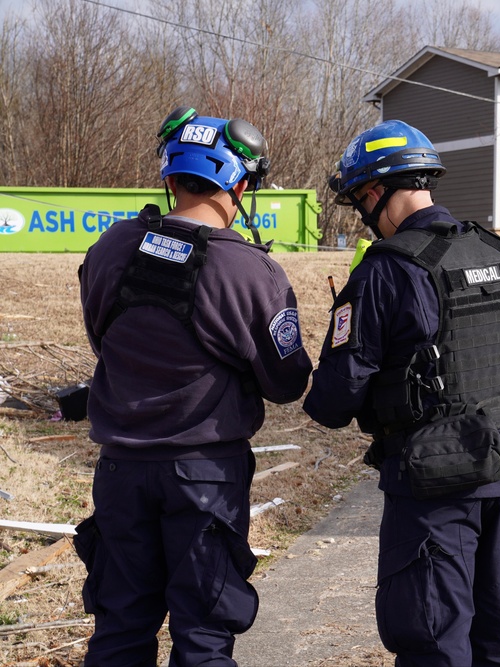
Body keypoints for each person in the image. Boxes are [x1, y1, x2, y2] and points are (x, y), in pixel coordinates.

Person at [303, 120, 500, 667]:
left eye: (360, 202)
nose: (364, 218)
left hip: (435, 484)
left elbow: (336, 397)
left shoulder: (385, 271)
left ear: (377, 192)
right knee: (492, 636)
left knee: (432, 641)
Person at [75, 107, 312, 666]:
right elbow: (286, 382)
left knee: (119, 627)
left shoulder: (109, 249)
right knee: (203, 634)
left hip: (120, 470)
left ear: (169, 176)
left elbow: (98, 338)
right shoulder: (252, 271)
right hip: (206, 476)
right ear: (241, 184)